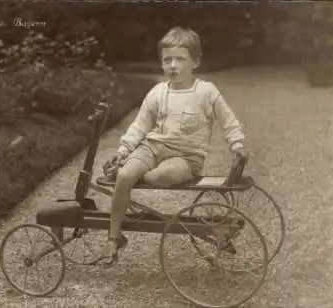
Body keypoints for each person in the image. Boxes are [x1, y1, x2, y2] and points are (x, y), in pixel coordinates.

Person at [101, 26, 249, 267]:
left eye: (180, 59)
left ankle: (130, 179)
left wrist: (237, 144)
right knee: (126, 174)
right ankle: (114, 237)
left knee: (162, 176)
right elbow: (140, 126)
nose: (172, 66)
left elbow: (228, 121)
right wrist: (123, 152)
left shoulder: (206, 92)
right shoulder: (158, 92)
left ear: (196, 61)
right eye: (167, 60)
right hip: (152, 149)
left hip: (185, 157)